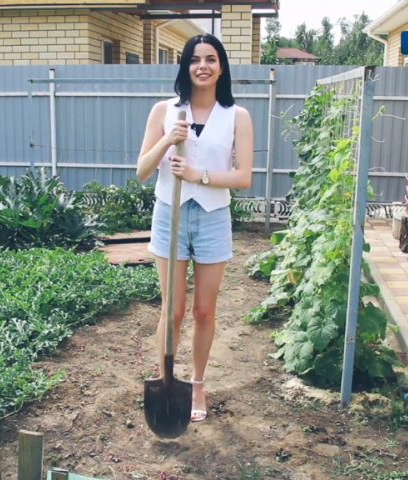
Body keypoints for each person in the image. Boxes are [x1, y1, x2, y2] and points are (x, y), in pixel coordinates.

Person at [136, 34, 253, 423]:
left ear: (221, 67)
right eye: (194, 59)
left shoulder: (236, 116)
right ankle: (165, 378)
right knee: (173, 310)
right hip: (170, 214)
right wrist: (169, 139)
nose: (202, 65)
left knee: (204, 311)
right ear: (185, 66)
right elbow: (141, 171)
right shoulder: (164, 111)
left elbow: (243, 177)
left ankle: (197, 384)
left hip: (212, 218)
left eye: (211, 59)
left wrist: (199, 175)